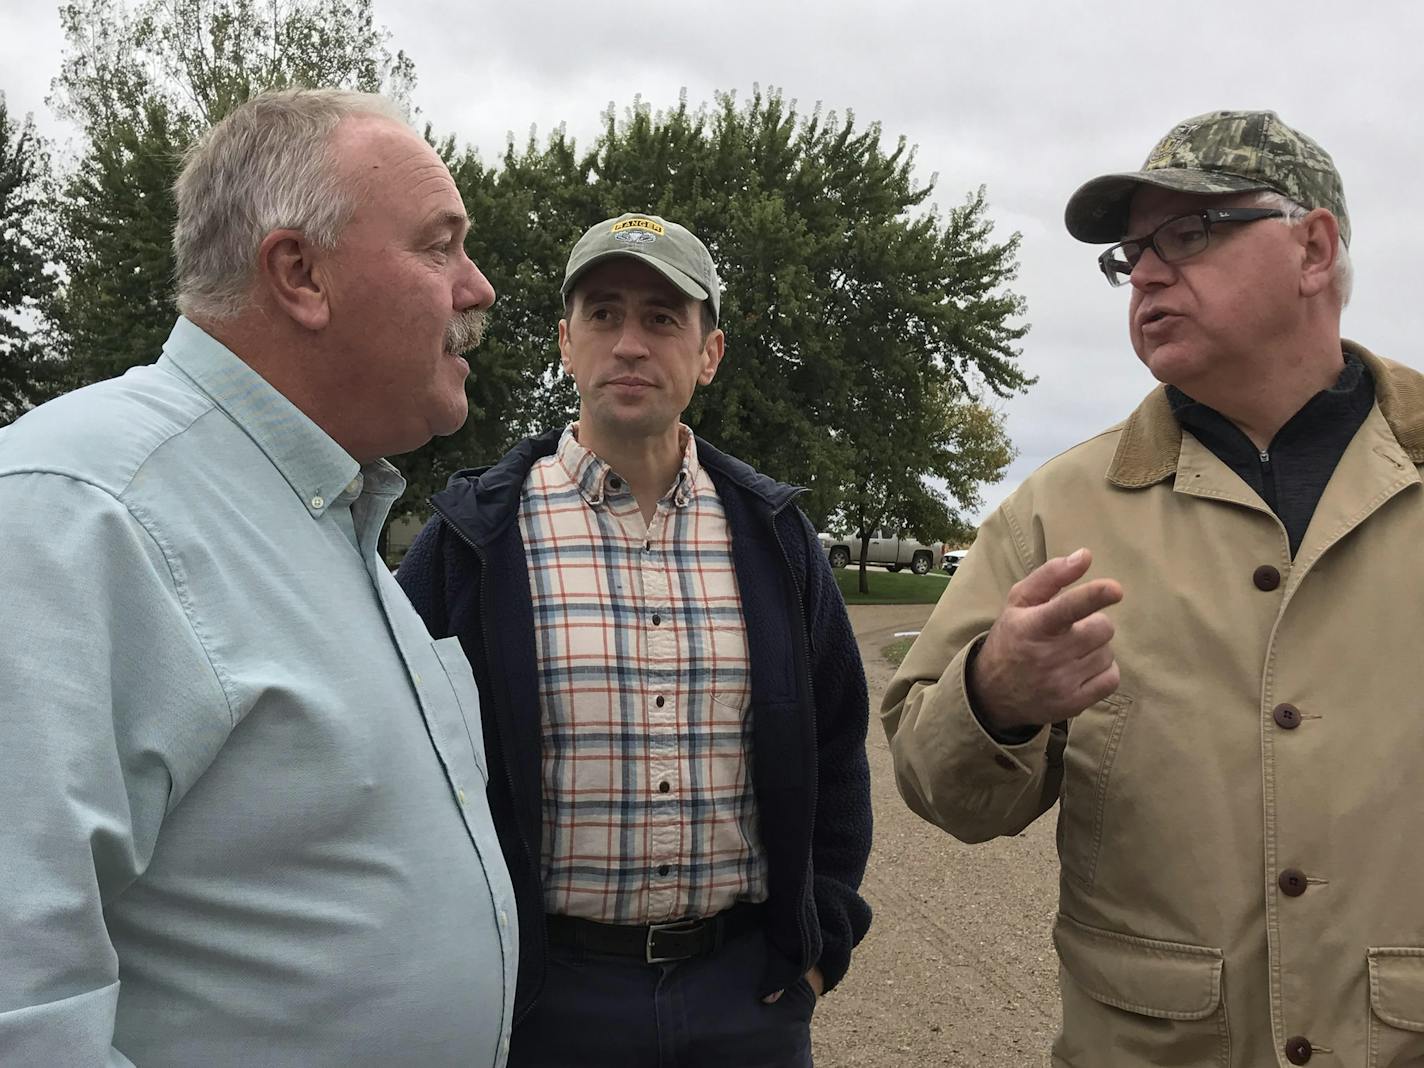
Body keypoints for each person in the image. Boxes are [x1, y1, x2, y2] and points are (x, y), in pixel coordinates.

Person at [883, 110, 1424, 1067]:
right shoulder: (1056, 510)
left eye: (1193, 232)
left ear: (1314, 247)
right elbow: (940, 792)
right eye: (1133, 251)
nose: (1146, 272)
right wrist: (993, 697)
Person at [0, 88, 517, 1066]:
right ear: (299, 274)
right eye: (440, 245)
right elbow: (20, 1014)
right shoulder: (81, 512)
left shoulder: (318, 514)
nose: (478, 287)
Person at [398, 212, 872, 1067]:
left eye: (662, 318)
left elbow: (836, 746)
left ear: (710, 352)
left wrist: (818, 943)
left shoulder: (774, 538)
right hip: (542, 1004)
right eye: (604, 314)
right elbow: (397, 761)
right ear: (565, 344)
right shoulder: (475, 539)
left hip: (746, 1004)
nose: (629, 344)